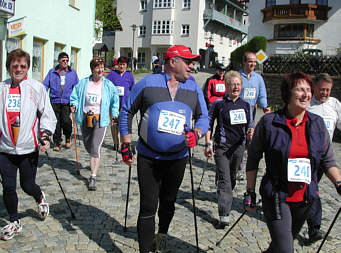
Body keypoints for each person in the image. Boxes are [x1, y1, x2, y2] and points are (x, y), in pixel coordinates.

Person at [119, 44, 209, 253]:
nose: (191, 66)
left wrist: (196, 133)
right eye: (187, 61)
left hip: (177, 158)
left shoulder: (193, 88)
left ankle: (162, 236)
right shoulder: (147, 83)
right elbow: (126, 111)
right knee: (148, 205)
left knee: (168, 203)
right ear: (172, 62)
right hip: (148, 157)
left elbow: (204, 117)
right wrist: (126, 144)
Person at [244, 72, 341, 253]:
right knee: (286, 249)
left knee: (280, 245)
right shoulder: (269, 123)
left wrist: (338, 182)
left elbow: (328, 160)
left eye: (308, 90)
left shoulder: (317, 124)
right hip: (276, 194)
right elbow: (253, 157)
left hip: (305, 198)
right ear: (288, 93)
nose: (306, 94)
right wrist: (249, 190)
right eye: (300, 90)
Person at [0, 49, 57, 240]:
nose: (18, 69)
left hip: (28, 147)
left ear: (27, 68)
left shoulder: (36, 88)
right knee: (8, 187)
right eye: (14, 66)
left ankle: (39, 197)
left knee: (27, 185)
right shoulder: (2, 89)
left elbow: (47, 114)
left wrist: (46, 134)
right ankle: (15, 221)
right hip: (5, 148)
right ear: (9, 67)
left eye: (22, 66)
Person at [204, 70, 253, 228]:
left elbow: (250, 126)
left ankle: (224, 191)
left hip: (239, 147)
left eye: (238, 84)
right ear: (226, 86)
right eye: (233, 84)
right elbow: (209, 124)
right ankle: (224, 214)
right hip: (222, 147)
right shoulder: (219, 104)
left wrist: (251, 133)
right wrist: (208, 143)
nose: (236, 87)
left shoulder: (246, 105)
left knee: (231, 178)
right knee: (225, 181)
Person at [70, 57, 119, 191]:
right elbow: (74, 96)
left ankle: (92, 176)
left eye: (102, 67)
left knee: (95, 148)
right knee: (88, 146)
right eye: (98, 67)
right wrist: (73, 104)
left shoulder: (108, 85)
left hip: (100, 120)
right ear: (92, 69)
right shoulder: (84, 83)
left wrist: (115, 114)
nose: (100, 70)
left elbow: (115, 100)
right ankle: (93, 162)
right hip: (85, 118)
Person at [305, 73, 341, 242]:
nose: (325, 93)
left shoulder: (334, 105)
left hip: (325, 157)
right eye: (321, 90)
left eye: (328, 90)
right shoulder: (307, 103)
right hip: (306, 155)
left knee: (311, 190)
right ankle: (314, 227)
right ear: (314, 87)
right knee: (311, 189)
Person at [43, 52, 79, 151]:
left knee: (66, 121)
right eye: (63, 60)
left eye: (67, 60)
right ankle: (57, 142)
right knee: (56, 123)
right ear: (59, 60)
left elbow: (77, 88)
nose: (65, 62)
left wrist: (75, 102)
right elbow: (45, 85)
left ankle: (68, 136)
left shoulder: (72, 73)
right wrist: (42, 94)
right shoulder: (52, 72)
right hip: (55, 101)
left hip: (67, 102)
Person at [106, 56, 135, 150]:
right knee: (114, 123)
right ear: (117, 65)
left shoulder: (129, 75)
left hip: (125, 104)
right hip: (114, 103)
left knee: (123, 124)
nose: (121, 66)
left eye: (123, 65)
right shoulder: (112, 74)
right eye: (120, 64)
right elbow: (106, 85)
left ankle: (124, 143)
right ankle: (116, 142)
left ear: (126, 65)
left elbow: (132, 88)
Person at [239, 51, 271, 120]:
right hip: (238, 110)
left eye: (255, 62)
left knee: (250, 130)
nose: (253, 64)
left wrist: (264, 106)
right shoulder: (237, 76)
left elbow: (262, 95)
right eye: (250, 61)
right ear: (244, 62)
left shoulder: (258, 78)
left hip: (252, 110)